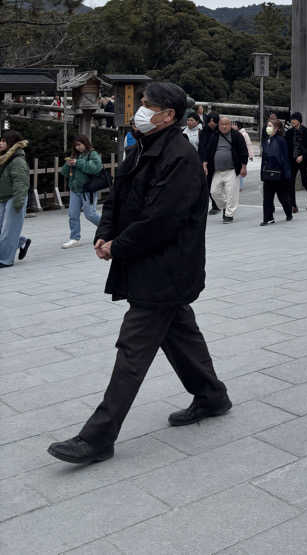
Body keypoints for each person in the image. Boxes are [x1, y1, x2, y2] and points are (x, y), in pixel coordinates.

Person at [46, 81, 230, 466]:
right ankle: (212, 396)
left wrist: (119, 246)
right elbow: (117, 195)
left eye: (149, 105)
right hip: (148, 263)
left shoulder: (179, 158)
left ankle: (98, 437)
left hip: (166, 268)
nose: (140, 110)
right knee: (180, 334)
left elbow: (159, 221)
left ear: (169, 116)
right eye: (142, 103)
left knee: (133, 349)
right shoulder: (141, 146)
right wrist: (104, 233)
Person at [59, 134, 103, 249]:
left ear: (85, 143)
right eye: (76, 146)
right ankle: (74, 238)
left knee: (90, 214)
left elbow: (96, 168)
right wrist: (68, 165)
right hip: (75, 189)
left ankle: (108, 227)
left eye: (79, 145)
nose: (78, 147)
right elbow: (63, 172)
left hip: (88, 190)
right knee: (73, 214)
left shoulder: (92, 154)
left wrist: (77, 163)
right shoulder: (75, 155)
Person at [202, 116, 248, 222]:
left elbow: (243, 151)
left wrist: (243, 167)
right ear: (218, 125)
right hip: (217, 170)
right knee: (214, 192)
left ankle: (228, 215)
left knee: (231, 193)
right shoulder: (215, 135)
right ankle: (226, 206)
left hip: (232, 169)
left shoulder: (237, 136)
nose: (223, 126)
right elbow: (208, 151)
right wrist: (205, 163)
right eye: (221, 124)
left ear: (230, 125)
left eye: (226, 124)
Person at [0, 130, 31, 267]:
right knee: (3, 230)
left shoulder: (17, 160)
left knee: (9, 230)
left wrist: (18, 202)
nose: (0, 143)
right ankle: (21, 242)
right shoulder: (4, 158)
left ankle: (5, 260)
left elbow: (21, 182)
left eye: (4, 141)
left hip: (14, 198)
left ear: (11, 143)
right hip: (3, 197)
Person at [260, 119, 293, 224]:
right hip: (268, 173)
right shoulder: (266, 140)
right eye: (267, 126)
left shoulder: (281, 140)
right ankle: (268, 218)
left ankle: (289, 213)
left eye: (271, 126)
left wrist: (286, 173)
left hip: (279, 174)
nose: (268, 128)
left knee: (283, 197)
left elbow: (284, 158)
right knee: (267, 198)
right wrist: (262, 172)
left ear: (277, 128)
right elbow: (264, 158)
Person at [287, 111, 307, 211]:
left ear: (299, 120)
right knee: (291, 182)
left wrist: (302, 156)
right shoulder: (289, 133)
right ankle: (293, 205)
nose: (292, 121)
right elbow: (287, 148)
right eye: (291, 119)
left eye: (294, 119)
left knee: (304, 182)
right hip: (292, 161)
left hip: (304, 161)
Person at [198, 114, 221, 213]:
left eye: (214, 120)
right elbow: (202, 147)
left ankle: (219, 204)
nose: (212, 123)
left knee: (218, 185)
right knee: (208, 184)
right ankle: (215, 205)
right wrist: (203, 161)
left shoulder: (220, 132)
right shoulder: (204, 132)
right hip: (207, 161)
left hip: (218, 160)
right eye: (210, 120)